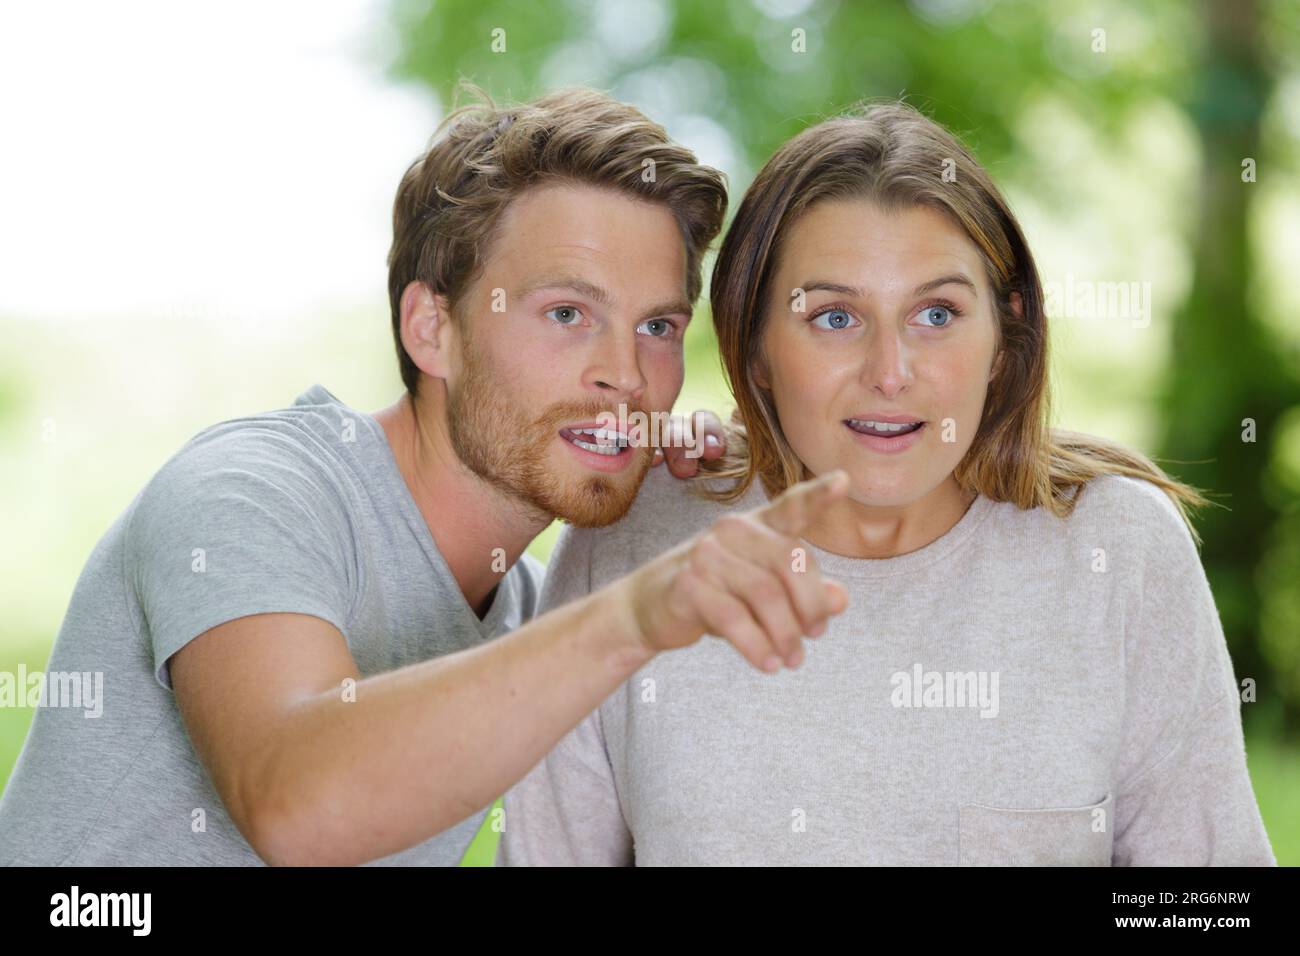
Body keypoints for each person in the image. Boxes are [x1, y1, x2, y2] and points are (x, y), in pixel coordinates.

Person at [0, 85, 834, 866]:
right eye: (567, 314)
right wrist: (637, 613)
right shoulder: (249, 491)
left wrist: (712, 499)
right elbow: (295, 802)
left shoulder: (527, 608)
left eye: (656, 325)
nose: (625, 372)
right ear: (431, 330)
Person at [496, 101, 1278, 866]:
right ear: (754, 345)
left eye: (936, 314)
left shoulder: (1118, 549)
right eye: (834, 318)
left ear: (1005, 338)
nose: (891, 374)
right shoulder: (639, 538)